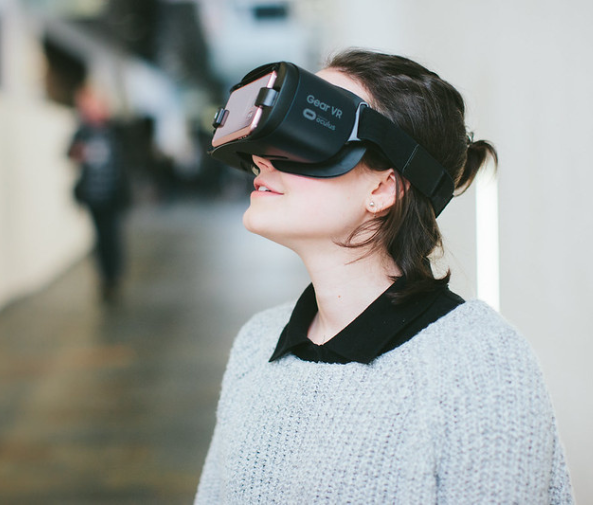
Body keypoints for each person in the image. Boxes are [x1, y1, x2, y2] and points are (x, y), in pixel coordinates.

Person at [195, 49, 573, 504]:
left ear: (383, 188)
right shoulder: (257, 342)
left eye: (310, 131)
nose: (263, 159)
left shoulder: (479, 364)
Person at [68, 86, 130, 302]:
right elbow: (69, 153)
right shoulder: (82, 131)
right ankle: (105, 278)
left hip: (113, 194)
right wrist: (79, 153)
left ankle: (114, 276)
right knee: (100, 239)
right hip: (93, 195)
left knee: (112, 237)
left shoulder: (114, 129)